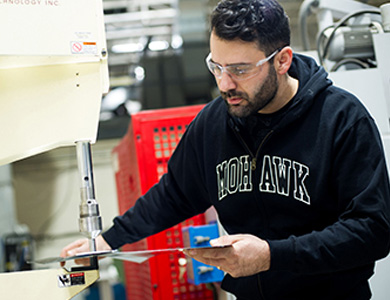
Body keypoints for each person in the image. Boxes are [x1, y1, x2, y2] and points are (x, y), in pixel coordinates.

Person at [61, 0, 390, 299]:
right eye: (216, 66)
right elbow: (173, 195)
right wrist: (106, 241)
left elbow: (373, 230)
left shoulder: (341, 119)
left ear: (282, 61)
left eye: (240, 70)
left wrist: (272, 255)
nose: (224, 83)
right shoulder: (213, 123)